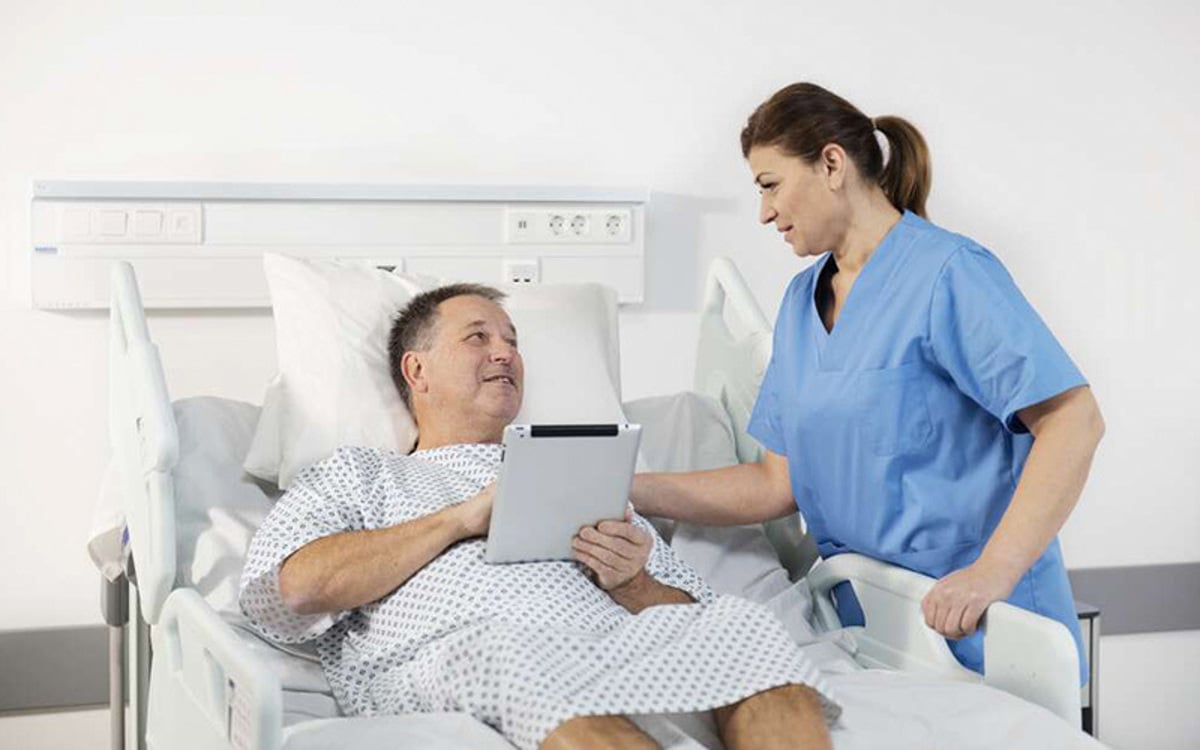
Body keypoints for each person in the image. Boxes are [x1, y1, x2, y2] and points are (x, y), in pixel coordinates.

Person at [631, 82, 1104, 681]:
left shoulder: (948, 274)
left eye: (770, 185)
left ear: (832, 164)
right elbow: (775, 484)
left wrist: (993, 572)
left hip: (981, 626)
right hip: (872, 625)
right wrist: (626, 489)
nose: (764, 213)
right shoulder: (801, 301)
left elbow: (1074, 419)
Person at [239, 283, 839, 750]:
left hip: (608, 648)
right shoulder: (363, 474)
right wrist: (460, 519)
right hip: (468, 650)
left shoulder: (579, 470)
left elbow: (690, 613)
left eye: (512, 340)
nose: (505, 352)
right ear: (417, 371)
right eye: (477, 338)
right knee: (518, 653)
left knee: (739, 626)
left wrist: (635, 583)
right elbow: (291, 588)